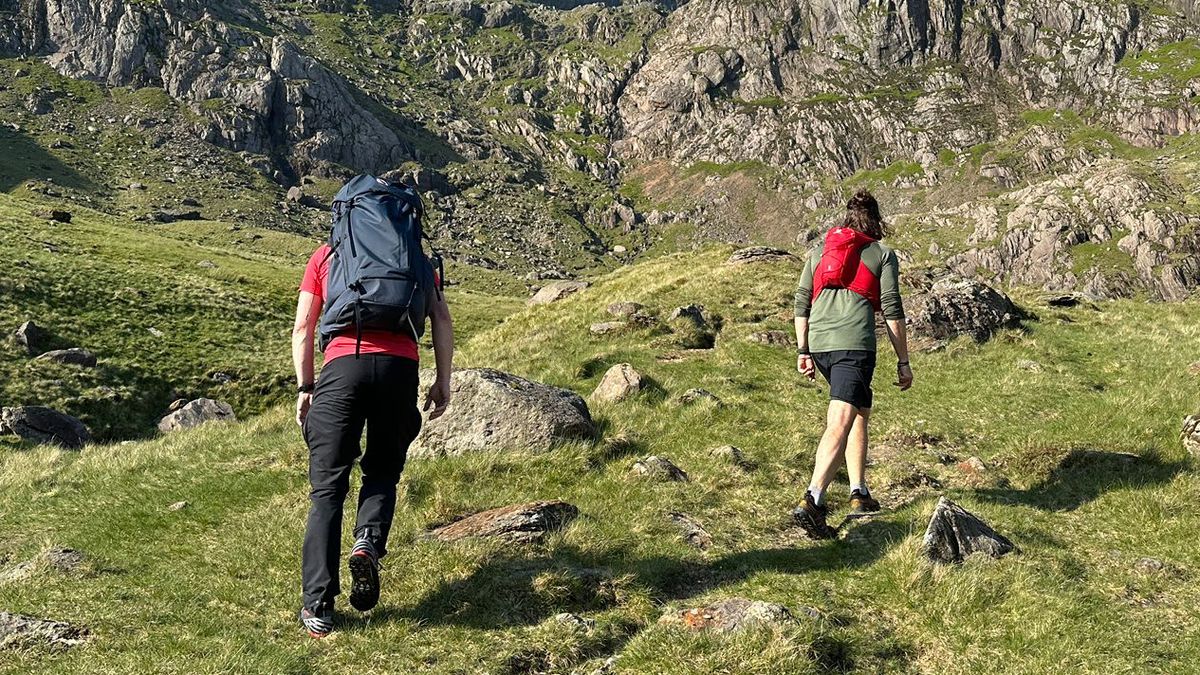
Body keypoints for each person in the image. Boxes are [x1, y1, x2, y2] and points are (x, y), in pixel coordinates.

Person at [291, 175, 454, 638]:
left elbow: (304, 327)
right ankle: (368, 543)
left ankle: (318, 607)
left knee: (327, 490)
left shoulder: (326, 256)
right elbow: (441, 319)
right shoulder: (419, 262)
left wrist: (307, 386)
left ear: (344, 214)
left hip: (343, 366)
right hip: (400, 370)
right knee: (382, 470)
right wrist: (442, 381)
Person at [792, 189, 912, 540]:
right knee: (840, 420)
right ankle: (813, 500)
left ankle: (858, 492)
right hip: (853, 346)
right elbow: (891, 307)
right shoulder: (882, 253)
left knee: (859, 409)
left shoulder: (818, 253)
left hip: (821, 346)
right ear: (876, 220)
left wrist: (803, 349)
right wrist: (903, 360)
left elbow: (802, 303)